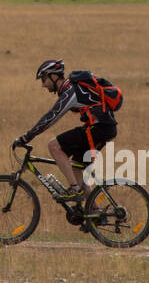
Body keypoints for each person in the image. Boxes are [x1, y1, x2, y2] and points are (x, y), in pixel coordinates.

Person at [12, 59, 118, 199]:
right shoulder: (70, 89)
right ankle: (93, 212)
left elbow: (51, 117)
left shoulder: (70, 91)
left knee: (54, 146)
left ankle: (74, 190)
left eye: (44, 79)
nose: (43, 85)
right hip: (102, 128)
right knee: (76, 168)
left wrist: (27, 136)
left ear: (54, 76)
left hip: (99, 129)